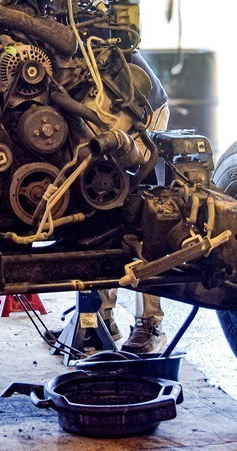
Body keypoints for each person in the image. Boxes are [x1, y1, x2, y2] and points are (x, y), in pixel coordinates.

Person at [98, 50, 170, 354]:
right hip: (104, 116)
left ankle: (151, 324)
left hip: (143, 113)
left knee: (141, 219)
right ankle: (100, 318)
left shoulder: (87, 36)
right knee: (97, 213)